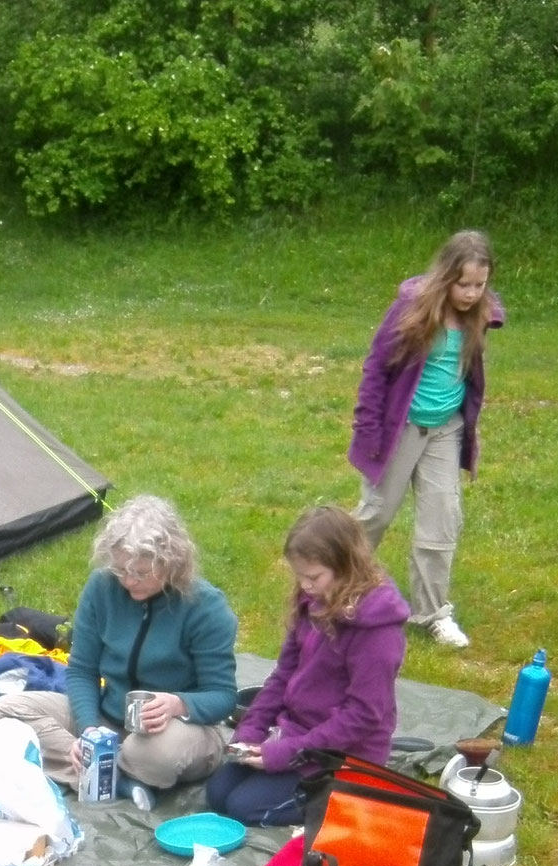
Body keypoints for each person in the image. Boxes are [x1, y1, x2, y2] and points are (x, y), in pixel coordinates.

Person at [0, 495, 237, 810]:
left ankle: (102, 772)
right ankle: (110, 778)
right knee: (5, 712)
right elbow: (82, 670)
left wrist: (179, 704)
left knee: (149, 755)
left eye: (142, 573)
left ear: (172, 562)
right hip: (109, 718)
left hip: (176, 731)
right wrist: (88, 728)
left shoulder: (205, 608)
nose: (129, 581)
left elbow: (223, 696)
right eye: (121, 570)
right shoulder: (102, 587)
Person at [206, 505, 409, 827]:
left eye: (313, 577)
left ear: (346, 566)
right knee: (217, 793)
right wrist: (250, 732)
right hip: (296, 733)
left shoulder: (378, 631)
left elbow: (364, 715)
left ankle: (343, 794)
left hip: (343, 754)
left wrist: (286, 753)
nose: (305, 586)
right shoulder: (311, 602)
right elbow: (283, 674)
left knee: (242, 808)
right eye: (299, 576)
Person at [349, 229, 503, 649]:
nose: (471, 293)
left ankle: (432, 613)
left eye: (479, 284)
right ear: (445, 277)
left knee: (441, 521)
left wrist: (471, 428)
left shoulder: (480, 314)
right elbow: (376, 369)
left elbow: (471, 377)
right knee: (375, 515)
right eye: (463, 284)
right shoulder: (412, 309)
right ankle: (336, 591)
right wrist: (368, 430)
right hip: (400, 428)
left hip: (445, 430)